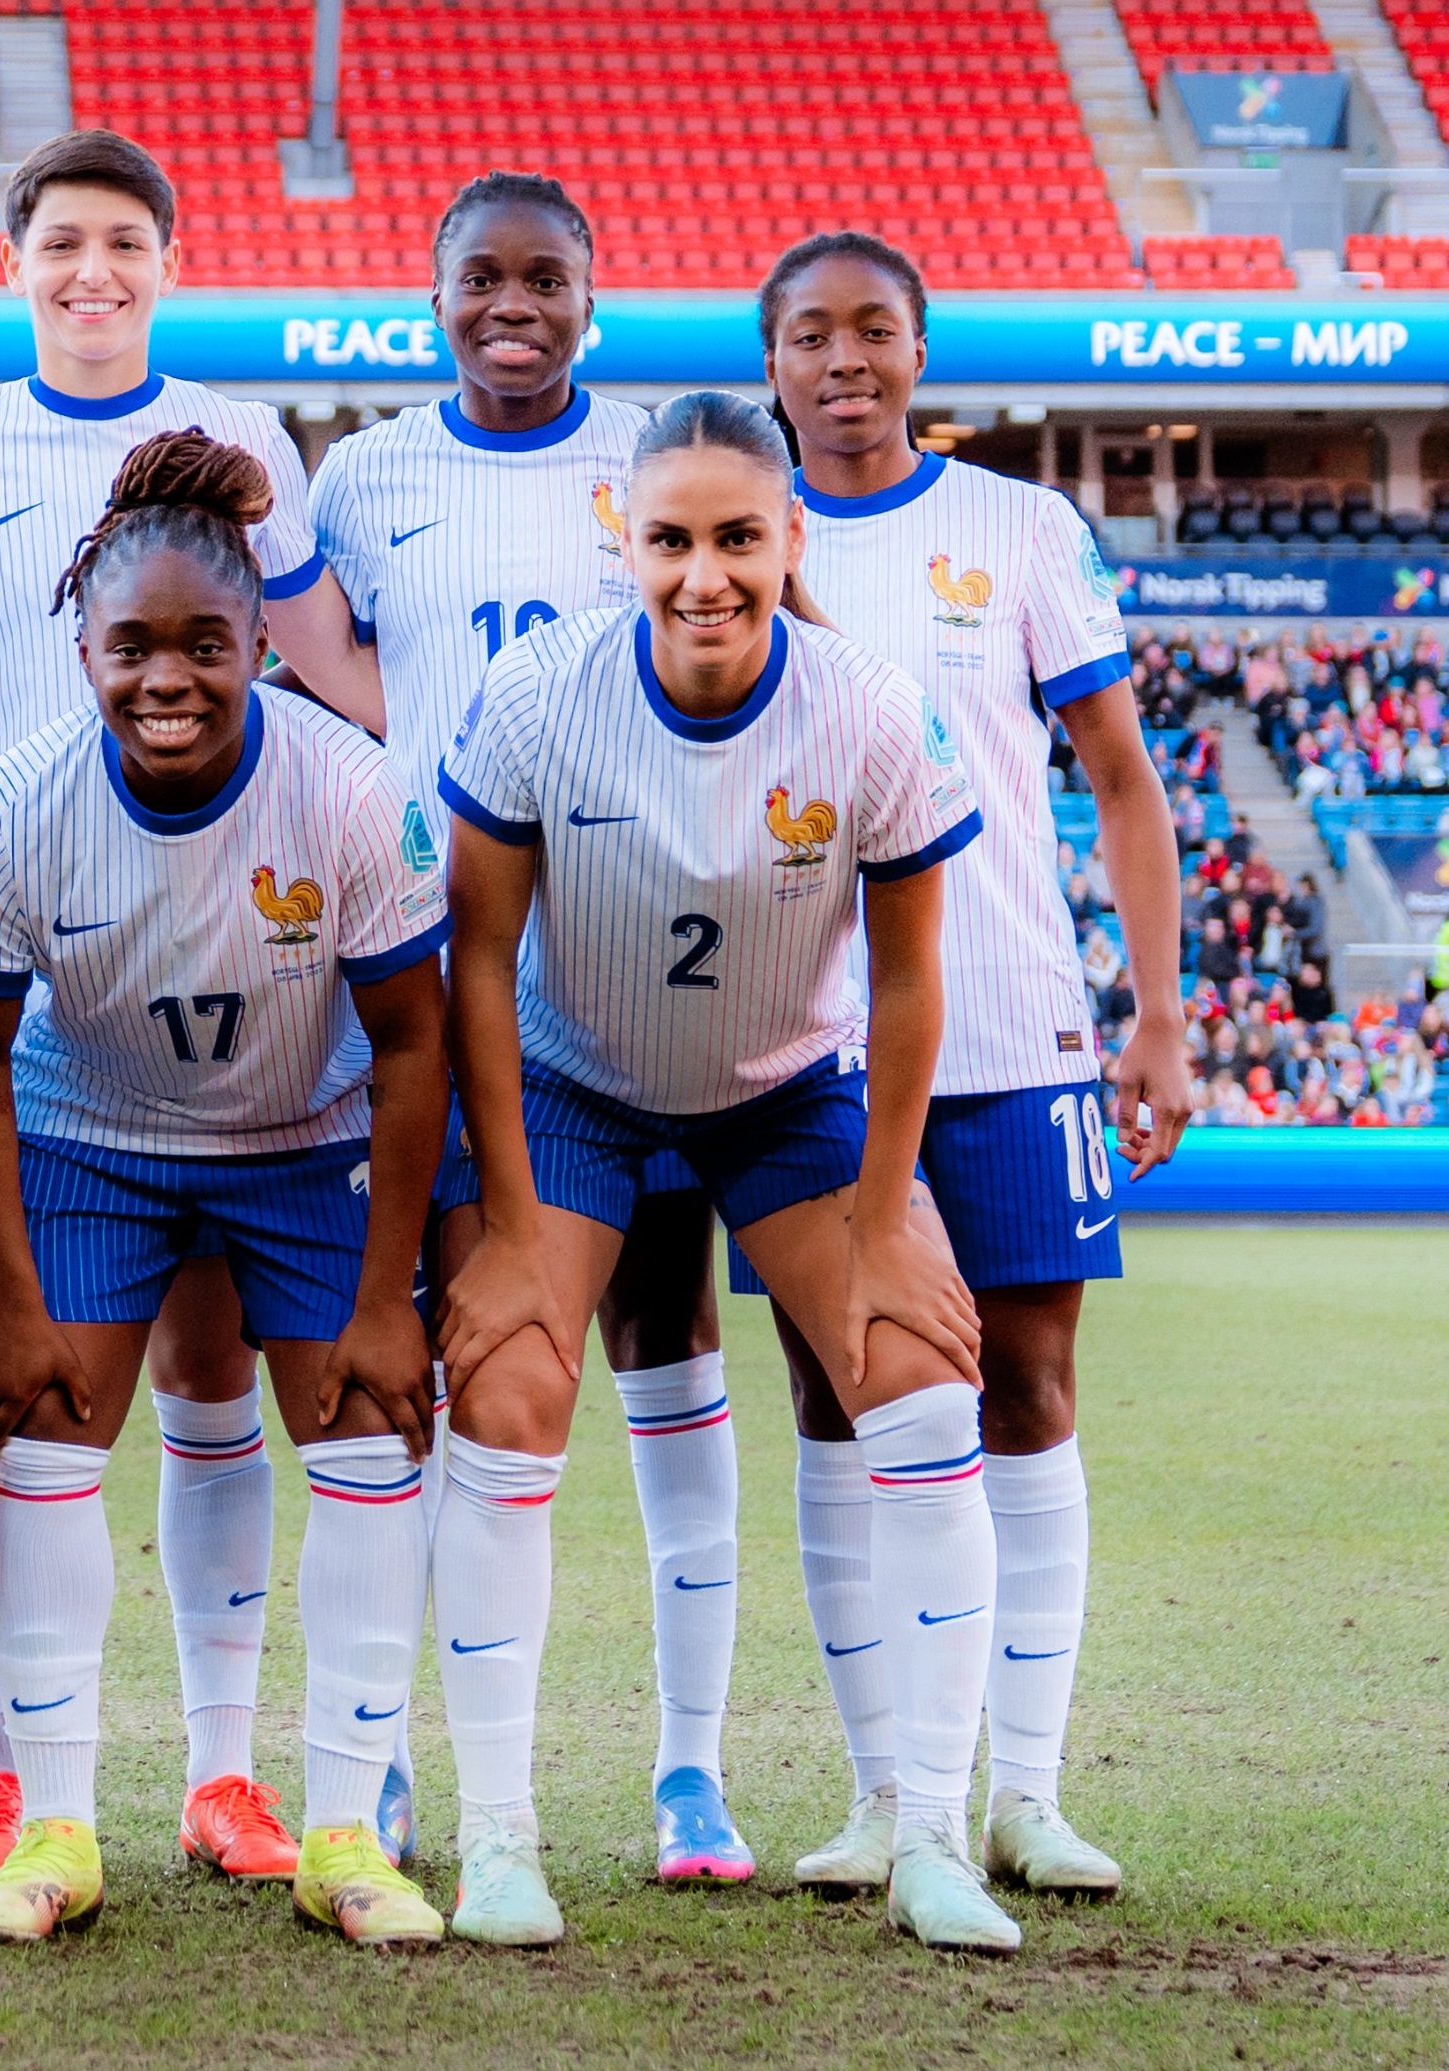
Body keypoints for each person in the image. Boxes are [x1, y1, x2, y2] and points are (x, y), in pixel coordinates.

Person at [0, 127, 386, 1886]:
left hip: (237, 957)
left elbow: (340, 678)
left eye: (123, 241)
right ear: (11, 260)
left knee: (207, 1383)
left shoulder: (251, 442)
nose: (91, 270)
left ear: (167, 263)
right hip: (15, 958)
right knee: (8, 1383)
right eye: (61, 244)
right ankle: (0, 1775)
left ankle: (222, 1770)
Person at [430, 390, 1017, 1954]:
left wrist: (888, 1225)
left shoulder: (872, 707)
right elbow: (476, 957)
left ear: (790, 538)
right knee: (504, 1386)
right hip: (577, 1089)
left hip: (780, 1094)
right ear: (619, 538)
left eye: (739, 538)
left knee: (922, 1381)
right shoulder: (539, 694)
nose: (706, 573)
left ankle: (930, 1831)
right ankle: (500, 1837)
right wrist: (495, 1217)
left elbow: (906, 983)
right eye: (673, 537)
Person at [0, 433, 451, 1946]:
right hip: (92, 1135)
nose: (169, 677)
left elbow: (415, 1044)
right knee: (36, 1432)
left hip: (305, 1134)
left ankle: (349, 1834)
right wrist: (6, 1300)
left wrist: (384, 1299)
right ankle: (55, 1828)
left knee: (365, 1425)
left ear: (255, 646)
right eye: (132, 647)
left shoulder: (350, 795)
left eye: (206, 646)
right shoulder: (16, 812)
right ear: (79, 646)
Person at [308, 171, 759, 1883]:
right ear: (432, 294)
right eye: (481, 277)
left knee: (670, 1349)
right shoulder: (365, 476)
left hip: (647, 968)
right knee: (447, 1365)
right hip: (434, 976)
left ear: (594, 292)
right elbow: (322, 680)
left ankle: (689, 1773)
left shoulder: (656, 457)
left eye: (546, 278)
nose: (514, 304)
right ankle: (405, 1757)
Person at [764, 230, 1189, 1902]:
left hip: (1011, 1028)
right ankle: (885, 1793)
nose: (846, 358)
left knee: (1026, 1394)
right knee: (836, 1394)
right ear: (775, 361)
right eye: (813, 334)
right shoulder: (748, 534)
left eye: (875, 328)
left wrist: (1158, 1017)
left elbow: (1125, 784)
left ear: (918, 349)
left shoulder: (1017, 528)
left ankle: (1027, 1791)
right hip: (808, 1052)